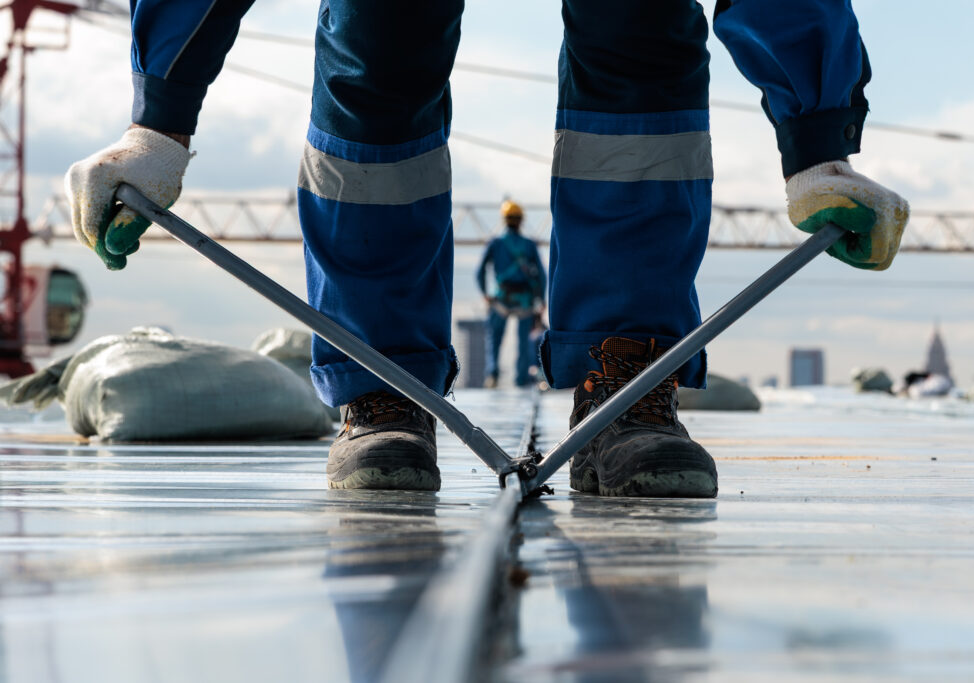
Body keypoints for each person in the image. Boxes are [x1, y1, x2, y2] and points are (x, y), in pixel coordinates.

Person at [64, 0, 909, 498]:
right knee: (377, 43)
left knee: (641, 34)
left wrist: (817, 137)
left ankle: (626, 373)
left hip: (527, 293)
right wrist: (159, 115)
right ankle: (382, 383)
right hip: (497, 293)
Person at [475, 200, 546, 388]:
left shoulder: (495, 244)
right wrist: (541, 299)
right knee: (524, 343)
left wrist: (485, 293)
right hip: (525, 300)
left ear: (504, 220)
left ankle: (492, 376)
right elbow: (540, 273)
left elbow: (480, 270)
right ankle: (520, 381)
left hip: (501, 298)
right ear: (521, 221)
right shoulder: (529, 245)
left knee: (494, 340)